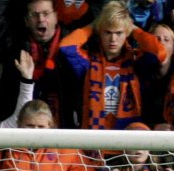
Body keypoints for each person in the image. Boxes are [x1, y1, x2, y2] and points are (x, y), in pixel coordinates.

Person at [59, 0, 167, 129]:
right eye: (108, 32)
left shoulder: (136, 62)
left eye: (119, 33)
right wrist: (92, 27)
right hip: (94, 142)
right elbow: (66, 47)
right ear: (100, 33)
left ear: (126, 33)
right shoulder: (87, 62)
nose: (113, 39)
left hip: (128, 141)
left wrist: (134, 29)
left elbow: (158, 52)